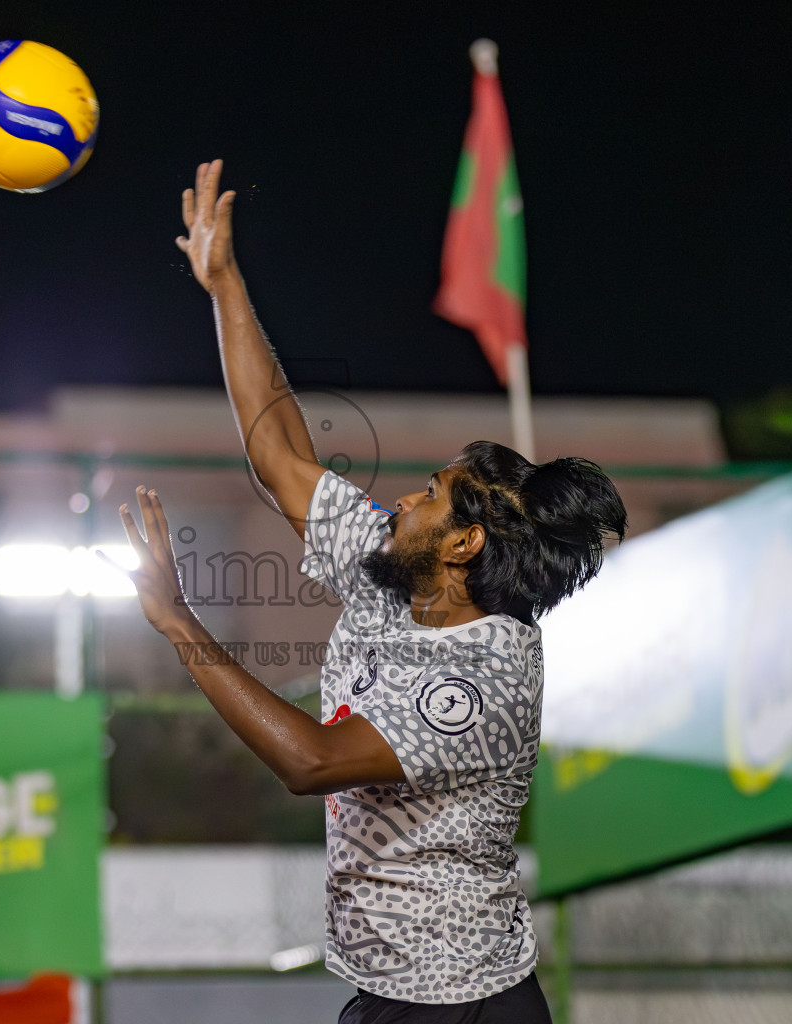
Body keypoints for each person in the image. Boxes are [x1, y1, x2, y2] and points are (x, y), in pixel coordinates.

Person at [111, 159, 627, 1022]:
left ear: (464, 543)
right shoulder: (397, 574)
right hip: (394, 996)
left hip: (464, 1006)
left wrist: (178, 622)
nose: (403, 501)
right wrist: (225, 284)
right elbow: (278, 453)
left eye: (429, 494)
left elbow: (310, 763)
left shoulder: (485, 679)